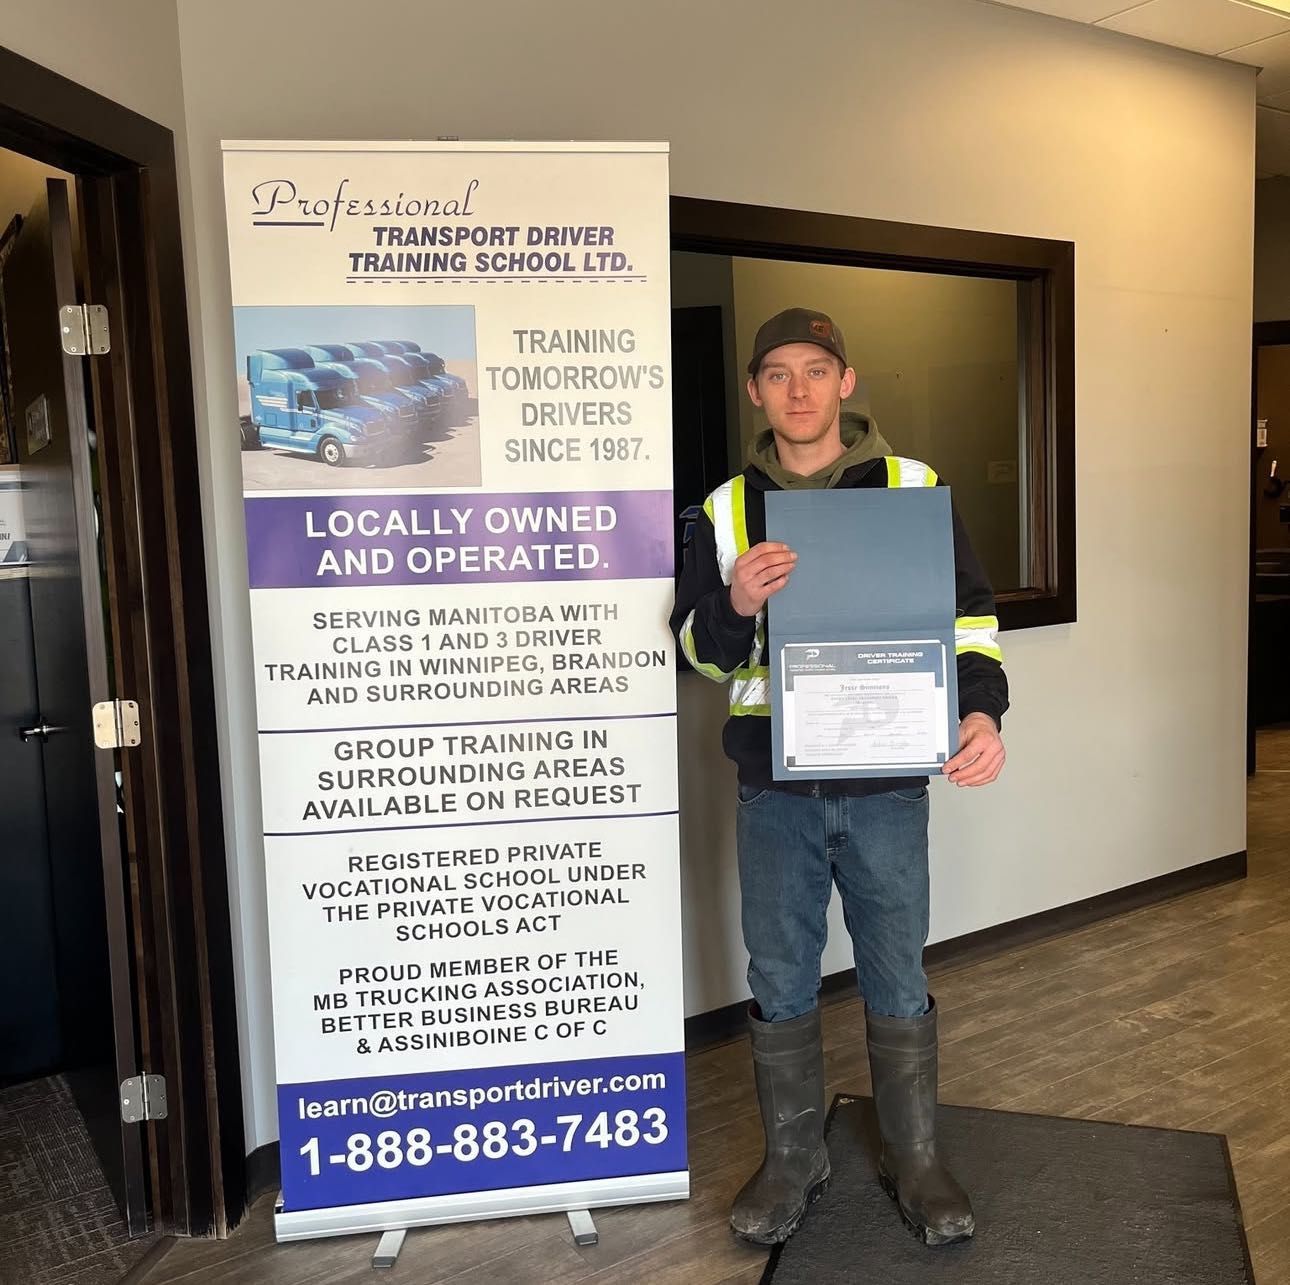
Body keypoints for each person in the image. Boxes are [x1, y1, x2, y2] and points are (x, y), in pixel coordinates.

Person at [669, 307, 1009, 1248]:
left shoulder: (912, 486)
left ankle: (918, 1155)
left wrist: (981, 711)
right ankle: (795, 1158)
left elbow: (969, 617)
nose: (799, 390)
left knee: (898, 970)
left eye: (816, 370)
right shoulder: (726, 506)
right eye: (777, 373)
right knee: (779, 973)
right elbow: (697, 650)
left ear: (847, 381)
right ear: (754, 389)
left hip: (888, 784)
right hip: (773, 789)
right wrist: (734, 601)